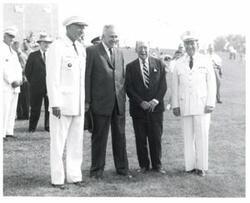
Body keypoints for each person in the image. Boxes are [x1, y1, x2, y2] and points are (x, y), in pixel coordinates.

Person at [46, 16, 87, 189]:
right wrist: (54, 102)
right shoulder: (57, 47)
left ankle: (74, 175)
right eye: (79, 27)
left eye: (83, 27)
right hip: (61, 104)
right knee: (58, 142)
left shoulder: (80, 48)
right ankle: (57, 178)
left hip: (77, 103)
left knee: (76, 142)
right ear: (68, 27)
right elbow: (52, 77)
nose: (82, 31)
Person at [85, 25, 130, 179]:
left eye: (116, 37)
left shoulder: (119, 52)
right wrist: (87, 101)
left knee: (120, 137)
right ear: (103, 36)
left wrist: (123, 98)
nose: (114, 40)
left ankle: (122, 169)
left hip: (118, 103)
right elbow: (87, 77)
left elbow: (121, 77)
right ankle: (97, 171)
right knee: (99, 138)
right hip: (100, 103)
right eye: (111, 37)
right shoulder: (91, 51)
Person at [172, 31, 216, 177]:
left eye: (192, 43)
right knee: (187, 136)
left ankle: (201, 166)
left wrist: (210, 102)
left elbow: (212, 83)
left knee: (202, 135)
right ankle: (189, 166)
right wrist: (175, 105)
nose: (190, 46)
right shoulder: (179, 63)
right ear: (184, 45)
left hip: (202, 105)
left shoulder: (206, 60)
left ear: (197, 44)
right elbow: (175, 86)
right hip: (185, 104)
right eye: (187, 43)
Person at [125, 41, 167, 174]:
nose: (143, 50)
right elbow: (129, 88)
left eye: (145, 48)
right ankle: (143, 165)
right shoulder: (130, 67)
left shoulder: (159, 63)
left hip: (156, 109)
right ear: (136, 50)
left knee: (156, 138)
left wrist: (155, 100)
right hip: (138, 110)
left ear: (149, 49)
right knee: (140, 138)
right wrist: (140, 102)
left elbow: (163, 85)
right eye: (140, 48)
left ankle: (157, 166)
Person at [25, 33, 52, 132]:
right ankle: (32, 127)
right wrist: (34, 83)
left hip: (49, 87)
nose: (46, 45)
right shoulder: (33, 55)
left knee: (49, 108)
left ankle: (48, 126)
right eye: (45, 42)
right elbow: (28, 71)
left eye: (48, 43)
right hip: (36, 87)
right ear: (40, 43)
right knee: (35, 108)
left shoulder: (52, 56)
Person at [2, 26, 23, 139]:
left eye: (13, 37)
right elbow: (3, 68)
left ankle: (9, 131)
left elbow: (18, 68)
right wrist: (11, 80)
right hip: (6, 85)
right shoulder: (1, 49)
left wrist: (19, 79)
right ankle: (2, 133)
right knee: (4, 109)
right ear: (4, 36)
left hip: (15, 86)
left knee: (12, 109)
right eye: (10, 36)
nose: (11, 38)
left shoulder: (13, 52)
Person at [12, 40, 30, 120]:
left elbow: (24, 67)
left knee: (24, 99)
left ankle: (25, 115)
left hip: (23, 79)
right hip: (19, 79)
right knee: (19, 99)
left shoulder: (20, 56)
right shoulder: (18, 55)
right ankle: (20, 115)